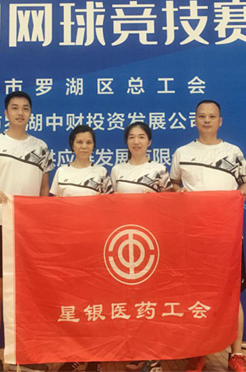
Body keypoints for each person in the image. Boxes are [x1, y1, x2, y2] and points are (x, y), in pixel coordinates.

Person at [0, 91, 53, 372]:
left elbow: (43, 189)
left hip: (29, 229)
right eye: (14, 108)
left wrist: (41, 220)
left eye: (25, 108)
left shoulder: (41, 147)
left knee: (28, 292)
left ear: (30, 113)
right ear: (6, 113)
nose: (20, 113)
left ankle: (25, 354)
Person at [169, 100, 246, 372]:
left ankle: (236, 354)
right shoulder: (182, 153)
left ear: (220, 121)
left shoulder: (233, 152)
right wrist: (178, 192)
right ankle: (198, 352)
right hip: (194, 237)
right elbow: (174, 184)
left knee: (231, 295)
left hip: (227, 237)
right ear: (194, 120)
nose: (206, 120)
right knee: (196, 295)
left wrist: (237, 195)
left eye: (212, 116)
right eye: (202, 116)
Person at [111, 121, 172, 372]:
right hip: (124, 242)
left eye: (141, 137)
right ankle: (133, 349)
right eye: (132, 137)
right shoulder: (117, 170)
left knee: (151, 299)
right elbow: (109, 206)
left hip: (151, 241)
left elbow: (170, 205)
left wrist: (157, 201)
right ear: (126, 142)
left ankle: (153, 356)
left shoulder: (158, 169)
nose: (136, 141)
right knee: (128, 298)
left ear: (149, 141)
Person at [51, 125, 112, 372]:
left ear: (94, 146)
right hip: (68, 247)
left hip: (95, 246)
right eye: (79, 142)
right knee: (72, 302)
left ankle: (95, 357)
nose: (84, 146)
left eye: (88, 142)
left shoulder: (101, 173)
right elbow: (52, 209)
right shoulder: (61, 172)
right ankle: (74, 354)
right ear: (72, 145)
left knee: (95, 301)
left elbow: (110, 208)